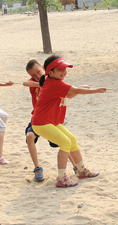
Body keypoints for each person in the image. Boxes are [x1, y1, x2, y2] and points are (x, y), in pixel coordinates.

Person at [31, 55, 106, 187]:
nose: (64, 72)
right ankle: (61, 178)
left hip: (50, 121)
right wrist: (96, 90)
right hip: (41, 123)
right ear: (50, 72)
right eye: (60, 69)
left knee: (72, 139)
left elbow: (70, 94)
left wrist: (80, 88)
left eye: (65, 69)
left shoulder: (55, 83)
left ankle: (82, 170)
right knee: (65, 142)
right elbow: (75, 91)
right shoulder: (54, 83)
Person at [23, 59, 77, 181]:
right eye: (33, 75)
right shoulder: (37, 82)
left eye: (38, 72)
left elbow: (70, 93)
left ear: (44, 69)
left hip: (52, 118)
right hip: (38, 118)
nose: (36, 76)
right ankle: (37, 168)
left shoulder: (55, 82)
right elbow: (25, 83)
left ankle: (75, 166)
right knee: (30, 136)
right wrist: (41, 84)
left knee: (63, 141)